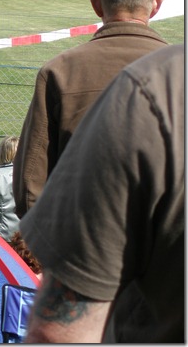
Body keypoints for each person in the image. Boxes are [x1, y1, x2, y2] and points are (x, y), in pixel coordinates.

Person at [20, 44, 184, 343]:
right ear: (155, 5)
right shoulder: (157, 81)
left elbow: (59, 333)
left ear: (98, 6)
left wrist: (38, 251)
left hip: (87, 271)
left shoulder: (152, 88)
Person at [13, 0, 167, 217]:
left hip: (79, 245)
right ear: (156, 5)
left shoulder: (59, 72)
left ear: (96, 4)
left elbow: (29, 186)